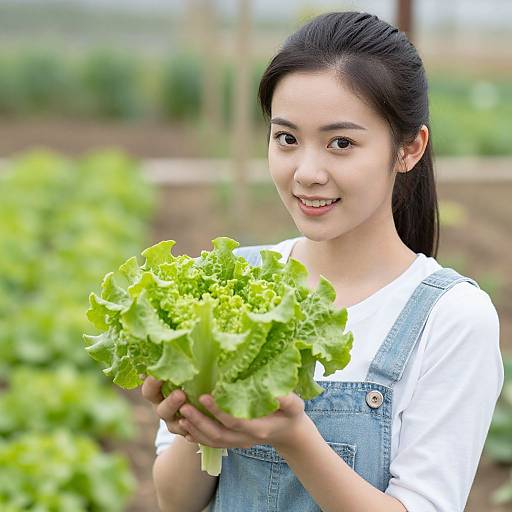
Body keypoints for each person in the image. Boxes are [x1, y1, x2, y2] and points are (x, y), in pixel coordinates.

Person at [142, 11, 504, 512]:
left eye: (341, 144)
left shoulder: (451, 318)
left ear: (408, 149)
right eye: (286, 138)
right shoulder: (235, 282)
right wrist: (195, 425)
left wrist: (296, 438)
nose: (307, 172)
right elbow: (175, 501)